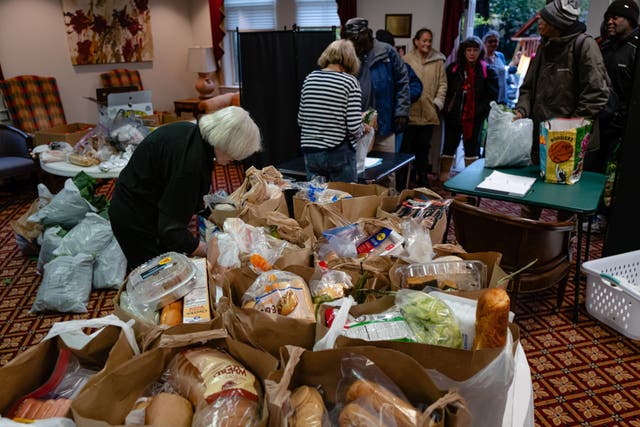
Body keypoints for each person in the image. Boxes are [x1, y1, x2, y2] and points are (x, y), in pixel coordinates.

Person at [109, 106, 262, 269]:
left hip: (142, 203)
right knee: (155, 274)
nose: (233, 161)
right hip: (134, 219)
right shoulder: (191, 166)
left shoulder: (194, 135)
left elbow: (189, 196)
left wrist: (216, 218)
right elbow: (171, 230)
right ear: (226, 144)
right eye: (234, 156)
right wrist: (210, 250)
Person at [514, 0, 610, 220]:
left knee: (566, 205)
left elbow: (597, 93)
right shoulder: (544, 45)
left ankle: (562, 250)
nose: (539, 19)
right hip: (541, 139)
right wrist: (521, 110)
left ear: (557, 23)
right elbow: (528, 87)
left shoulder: (584, 46)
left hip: (572, 143)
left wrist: (569, 128)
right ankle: (526, 245)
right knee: (530, 197)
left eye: (545, 17)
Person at [589, 0, 639, 231]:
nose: (610, 21)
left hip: (621, 129)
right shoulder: (603, 46)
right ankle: (589, 213)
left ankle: (604, 218)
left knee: (612, 177)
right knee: (592, 171)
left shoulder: (635, 50)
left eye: (616, 17)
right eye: (608, 17)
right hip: (597, 123)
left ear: (630, 21)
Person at [343, 17, 410, 188]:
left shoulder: (387, 52)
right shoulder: (347, 54)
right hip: (357, 126)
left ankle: (389, 206)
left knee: (388, 172)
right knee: (359, 171)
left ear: (369, 35)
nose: (357, 45)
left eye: (360, 40)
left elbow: (403, 81)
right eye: (353, 41)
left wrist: (401, 111)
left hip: (385, 123)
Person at [297, 39, 371, 182]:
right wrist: (363, 128)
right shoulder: (350, 82)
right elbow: (353, 127)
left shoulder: (310, 78)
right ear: (350, 60)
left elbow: (301, 119)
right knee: (343, 200)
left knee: (317, 200)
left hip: (310, 151)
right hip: (338, 152)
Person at [441, 36, 499, 181]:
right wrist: (447, 109)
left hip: (474, 117)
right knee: (449, 145)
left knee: (472, 148)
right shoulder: (453, 69)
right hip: (453, 115)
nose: (472, 53)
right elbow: (446, 90)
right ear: (463, 51)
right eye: (469, 50)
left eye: (475, 50)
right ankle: (443, 175)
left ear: (480, 51)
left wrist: (480, 111)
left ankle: (470, 178)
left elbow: (492, 96)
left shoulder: (488, 71)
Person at [402, 28, 448, 186]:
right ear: (416, 41)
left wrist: (437, 103)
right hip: (410, 113)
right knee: (408, 149)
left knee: (424, 149)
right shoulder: (406, 60)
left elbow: (443, 84)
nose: (427, 44)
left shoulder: (438, 61)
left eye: (429, 41)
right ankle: (408, 178)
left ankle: (422, 178)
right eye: (424, 40)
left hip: (429, 111)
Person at [374, 29, 423, 154]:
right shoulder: (368, 66)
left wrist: (399, 98)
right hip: (372, 121)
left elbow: (417, 87)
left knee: (391, 161)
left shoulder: (402, 67)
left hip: (395, 121)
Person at [482, 30, 509, 105]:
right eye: (490, 41)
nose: (493, 44)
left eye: (495, 41)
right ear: (485, 43)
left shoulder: (500, 56)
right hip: (489, 98)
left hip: (503, 97)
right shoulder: (481, 58)